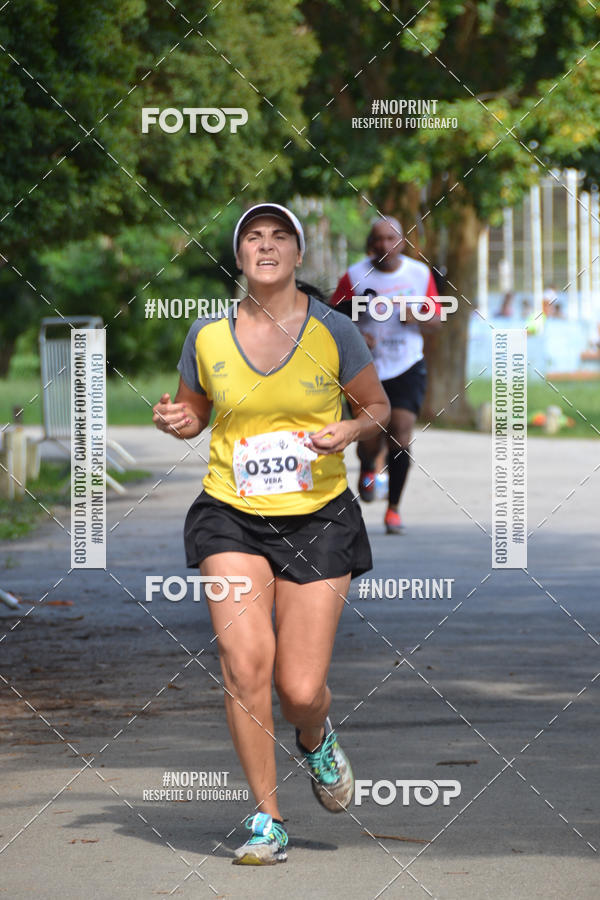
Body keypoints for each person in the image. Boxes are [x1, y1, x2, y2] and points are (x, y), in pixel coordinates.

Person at [152, 203, 390, 865]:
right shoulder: (206, 335)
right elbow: (194, 412)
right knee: (244, 664)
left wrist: (349, 428)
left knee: (299, 689)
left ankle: (314, 739)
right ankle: (266, 818)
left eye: (278, 236)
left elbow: (378, 406)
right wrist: (177, 420)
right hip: (230, 514)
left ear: (296, 253)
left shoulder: (334, 332)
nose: (265, 245)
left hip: (319, 517)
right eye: (252, 237)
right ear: (239, 257)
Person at [330, 216, 440, 534]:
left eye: (391, 238)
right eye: (378, 239)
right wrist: (355, 334)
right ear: (370, 244)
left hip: (407, 364)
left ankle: (393, 509)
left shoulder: (419, 274)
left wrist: (417, 316)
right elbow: (332, 316)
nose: (384, 245)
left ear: (402, 242)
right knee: (370, 437)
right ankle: (367, 462)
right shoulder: (353, 275)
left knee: (401, 433)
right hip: (365, 368)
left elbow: (437, 319)